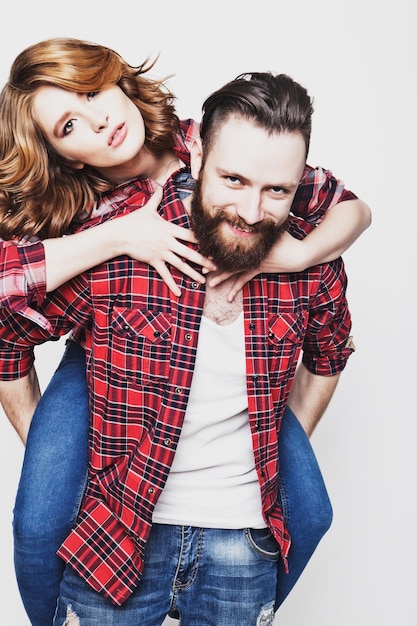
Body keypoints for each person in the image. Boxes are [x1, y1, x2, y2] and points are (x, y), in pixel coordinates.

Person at [0, 39, 369, 625]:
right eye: (70, 124)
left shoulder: (217, 137)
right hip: (107, 347)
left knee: (311, 511)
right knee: (42, 512)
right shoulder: (84, 209)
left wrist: (298, 258)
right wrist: (116, 237)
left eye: (94, 92)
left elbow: (352, 207)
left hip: (227, 381)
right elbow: (9, 298)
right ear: (62, 154)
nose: (100, 122)